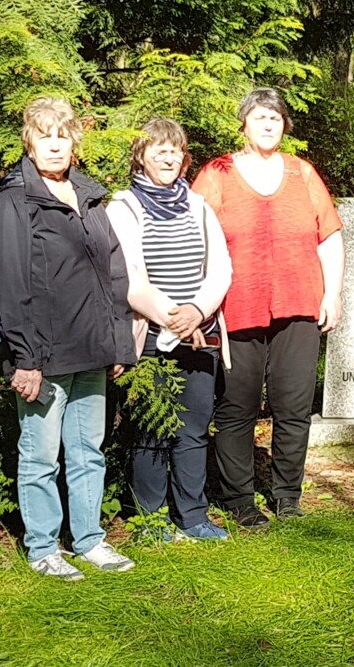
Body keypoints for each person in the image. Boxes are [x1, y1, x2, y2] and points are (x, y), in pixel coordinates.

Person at [0, 96, 138, 581]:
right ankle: (42, 546)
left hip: (92, 350)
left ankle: (90, 540)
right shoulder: (14, 201)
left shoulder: (91, 197)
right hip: (43, 357)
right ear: (28, 141)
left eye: (62, 135)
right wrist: (24, 359)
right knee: (39, 456)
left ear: (75, 140)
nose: (54, 145)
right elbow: (10, 285)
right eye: (44, 135)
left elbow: (113, 273)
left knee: (87, 451)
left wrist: (117, 341)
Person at [191, 87, 344, 529]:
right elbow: (194, 236)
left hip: (299, 305)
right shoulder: (217, 172)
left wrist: (331, 293)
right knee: (236, 408)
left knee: (293, 406)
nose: (268, 124)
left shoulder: (303, 173)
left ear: (285, 125)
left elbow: (330, 236)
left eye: (276, 118)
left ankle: (287, 497)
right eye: (259, 117)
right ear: (243, 124)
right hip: (236, 307)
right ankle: (240, 500)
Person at [108, 118, 234, 542]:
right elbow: (130, 278)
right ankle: (151, 519)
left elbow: (221, 269)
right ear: (141, 156)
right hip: (150, 337)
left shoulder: (198, 206)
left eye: (176, 150)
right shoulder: (123, 207)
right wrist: (172, 318)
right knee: (150, 429)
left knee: (193, 430)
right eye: (159, 149)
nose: (168, 156)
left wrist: (197, 311)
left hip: (200, 334)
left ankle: (193, 516)